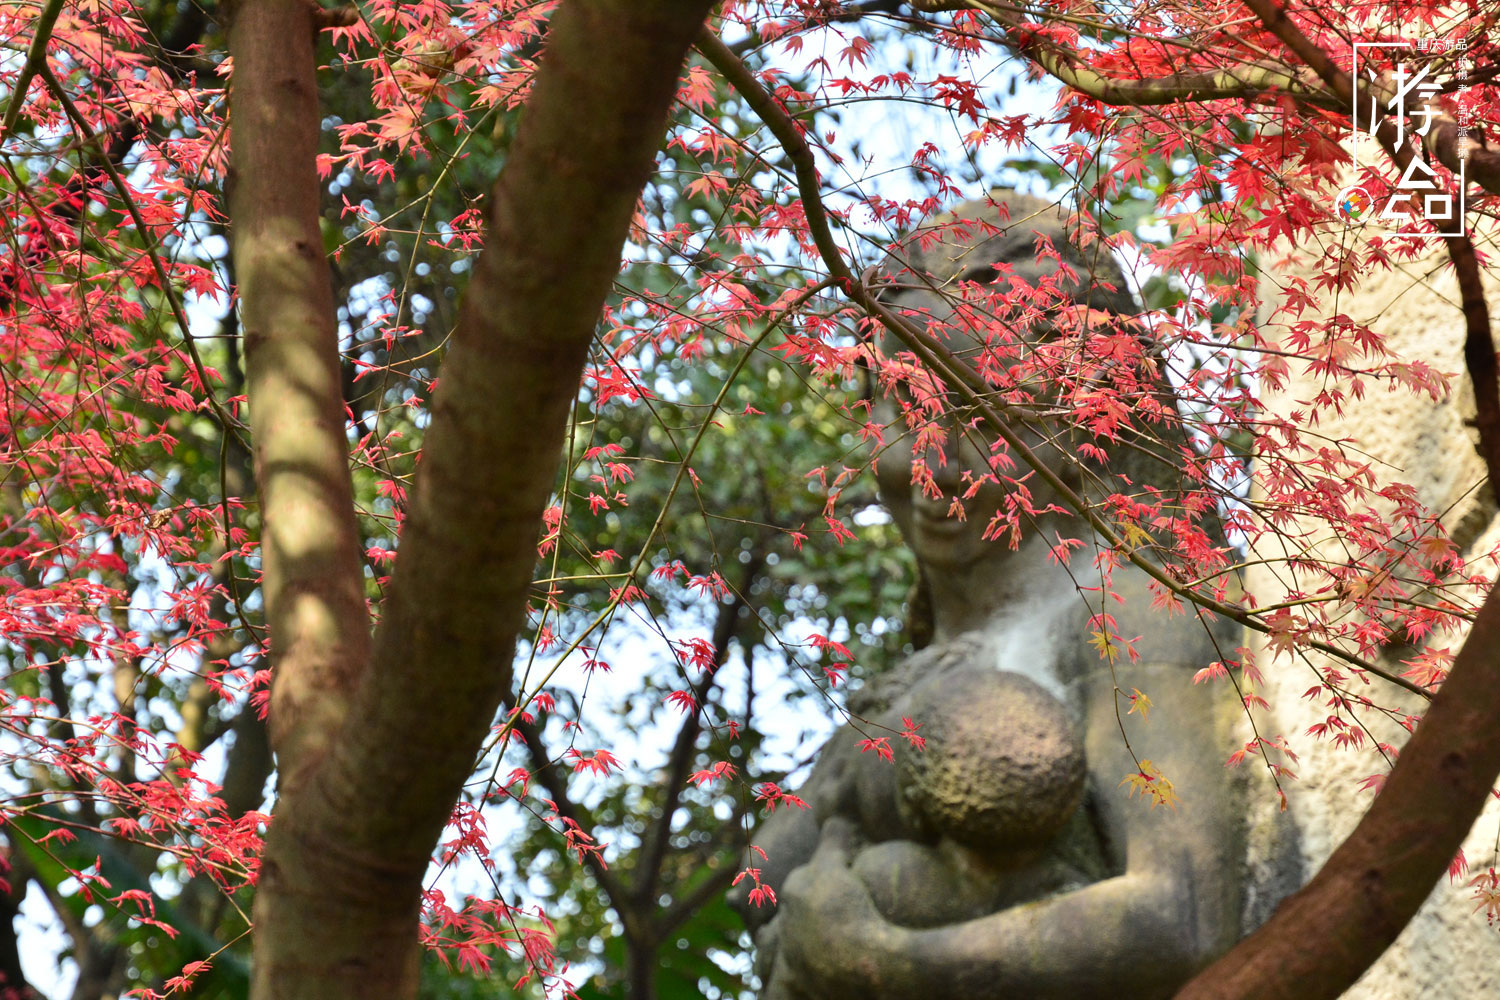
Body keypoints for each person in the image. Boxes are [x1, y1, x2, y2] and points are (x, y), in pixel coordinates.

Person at [735, 192, 1246, 999]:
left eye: (984, 419)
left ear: (1086, 421)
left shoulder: (1129, 613)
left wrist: (881, 960)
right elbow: (760, 887)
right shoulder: (924, 671)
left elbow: (1181, 912)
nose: (934, 464)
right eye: (909, 411)